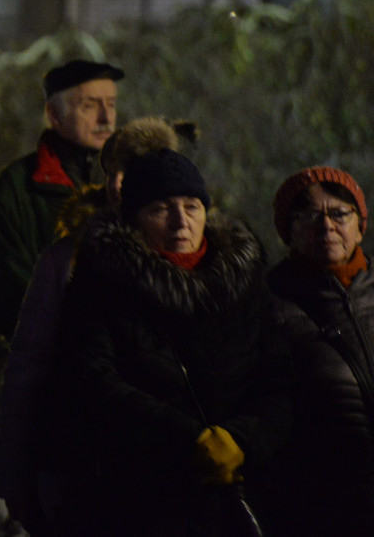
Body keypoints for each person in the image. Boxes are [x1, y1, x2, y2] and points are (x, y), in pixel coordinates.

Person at [55, 149, 292, 536]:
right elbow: (91, 379)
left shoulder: (243, 281)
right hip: (143, 502)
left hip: (242, 496)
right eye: (161, 209)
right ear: (134, 218)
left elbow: (278, 381)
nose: (181, 221)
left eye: (192, 206)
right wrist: (189, 439)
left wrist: (242, 441)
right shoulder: (103, 284)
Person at [0, 116, 192, 532]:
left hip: (179, 475)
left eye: (130, 171)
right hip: (83, 470)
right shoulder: (66, 261)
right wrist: (16, 477)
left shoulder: (197, 255)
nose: (117, 184)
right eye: (111, 172)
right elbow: (29, 365)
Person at [265, 166, 374, 535]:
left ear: (360, 225)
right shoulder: (268, 306)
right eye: (309, 216)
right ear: (288, 231)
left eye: (339, 213)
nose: (326, 226)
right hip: (322, 509)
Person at [0, 59, 122, 339]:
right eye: (90, 105)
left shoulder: (129, 177)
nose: (105, 118)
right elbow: (12, 293)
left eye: (110, 104)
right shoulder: (19, 186)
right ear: (54, 114)